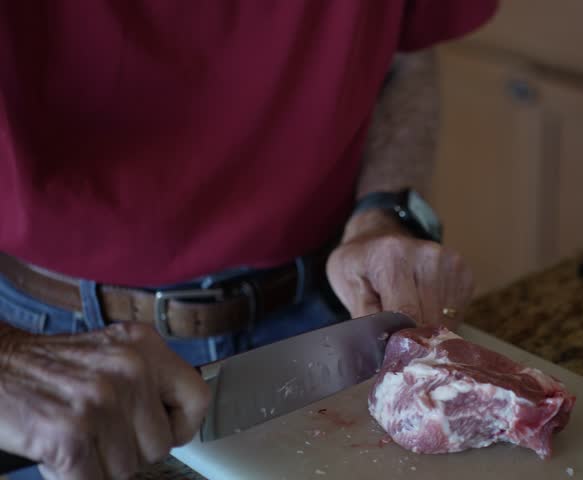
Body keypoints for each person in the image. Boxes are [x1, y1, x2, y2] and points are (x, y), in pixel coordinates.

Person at [0, 2, 498, 479]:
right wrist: (8, 358)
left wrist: (383, 216)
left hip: (327, 322)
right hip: (57, 349)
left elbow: (406, 62)